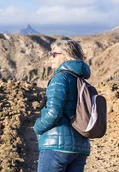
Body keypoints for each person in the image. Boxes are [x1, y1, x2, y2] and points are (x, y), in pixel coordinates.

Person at [34, 38, 91, 172]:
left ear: (65, 57)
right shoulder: (81, 80)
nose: (51, 58)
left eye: (54, 54)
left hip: (56, 148)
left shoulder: (60, 78)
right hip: (80, 148)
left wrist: (37, 127)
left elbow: (53, 113)